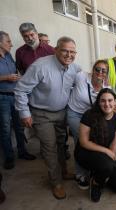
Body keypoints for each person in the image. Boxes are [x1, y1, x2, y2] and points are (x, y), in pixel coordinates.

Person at [14, 36, 81, 199]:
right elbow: (21, 89)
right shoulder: (40, 66)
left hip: (62, 112)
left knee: (61, 144)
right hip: (41, 114)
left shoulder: (74, 68)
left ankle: (63, 171)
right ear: (56, 50)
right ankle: (56, 182)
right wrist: (24, 113)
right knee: (49, 148)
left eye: (72, 52)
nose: (69, 55)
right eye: (65, 50)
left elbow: (85, 83)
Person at [74, 88, 116, 202]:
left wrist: (110, 155)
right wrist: (106, 152)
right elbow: (84, 142)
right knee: (107, 165)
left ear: (115, 102)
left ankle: (99, 173)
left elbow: (114, 147)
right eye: (103, 101)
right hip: (85, 152)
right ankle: (96, 183)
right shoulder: (89, 115)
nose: (107, 104)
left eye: (110, 100)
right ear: (98, 102)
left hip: (104, 155)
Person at [67, 59, 110, 189]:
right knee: (81, 142)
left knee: (92, 143)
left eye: (104, 71)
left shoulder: (107, 88)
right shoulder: (81, 76)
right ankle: (81, 174)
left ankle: (92, 167)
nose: (100, 72)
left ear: (107, 73)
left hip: (92, 118)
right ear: (93, 70)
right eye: (97, 69)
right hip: (75, 113)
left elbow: (112, 104)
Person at [0, 31, 36, 170]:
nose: (11, 44)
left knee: (19, 126)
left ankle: (22, 151)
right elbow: (8, 76)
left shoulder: (9, 55)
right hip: (2, 97)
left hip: (14, 95)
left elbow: (16, 72)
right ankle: (9, 157)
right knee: (5, 128)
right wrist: (6, 78)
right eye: (8, 41)